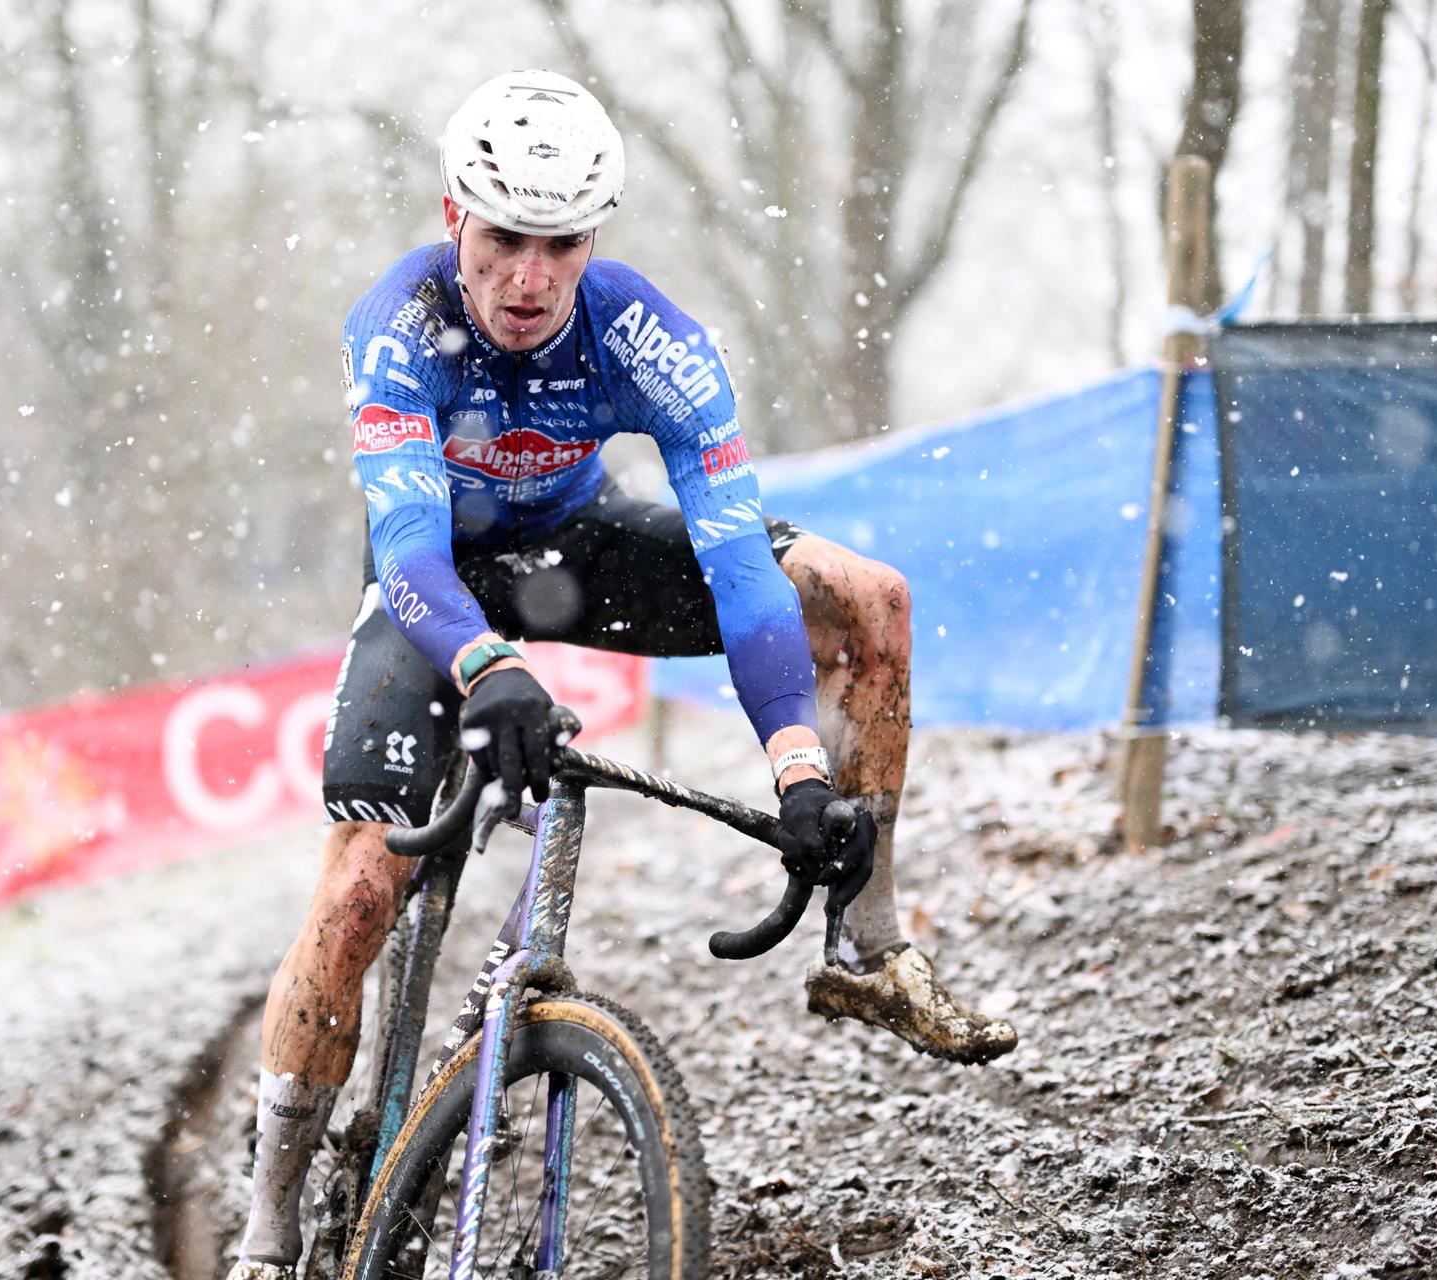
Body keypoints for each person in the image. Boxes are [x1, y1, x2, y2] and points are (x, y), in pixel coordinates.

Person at [226, 69, 1017, 1280]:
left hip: (584, 545)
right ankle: (268, 1231)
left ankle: (869, 947)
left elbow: (739, 563)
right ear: (454, 219)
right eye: (503, 240)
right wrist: (486, 667)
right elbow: (406, 547)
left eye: (562, 245)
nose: (530, 279)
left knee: (868, 597)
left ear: (595, 237)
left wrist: (799, 768)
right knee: (355, 900)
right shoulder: (399, 323)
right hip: (442, 577)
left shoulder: (650, 337)